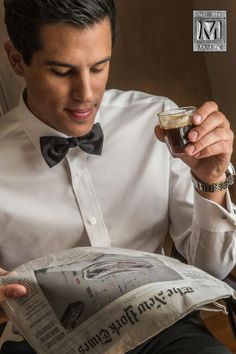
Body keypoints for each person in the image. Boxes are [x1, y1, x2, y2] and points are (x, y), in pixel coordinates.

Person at [0, 0, 235, 353]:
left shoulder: (156, 119)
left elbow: (213, 267)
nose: (87, 94)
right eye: (63, 72)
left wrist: (212, 180)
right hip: (43, 342)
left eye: (98, 67)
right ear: (17, 59)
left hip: (163, 328)